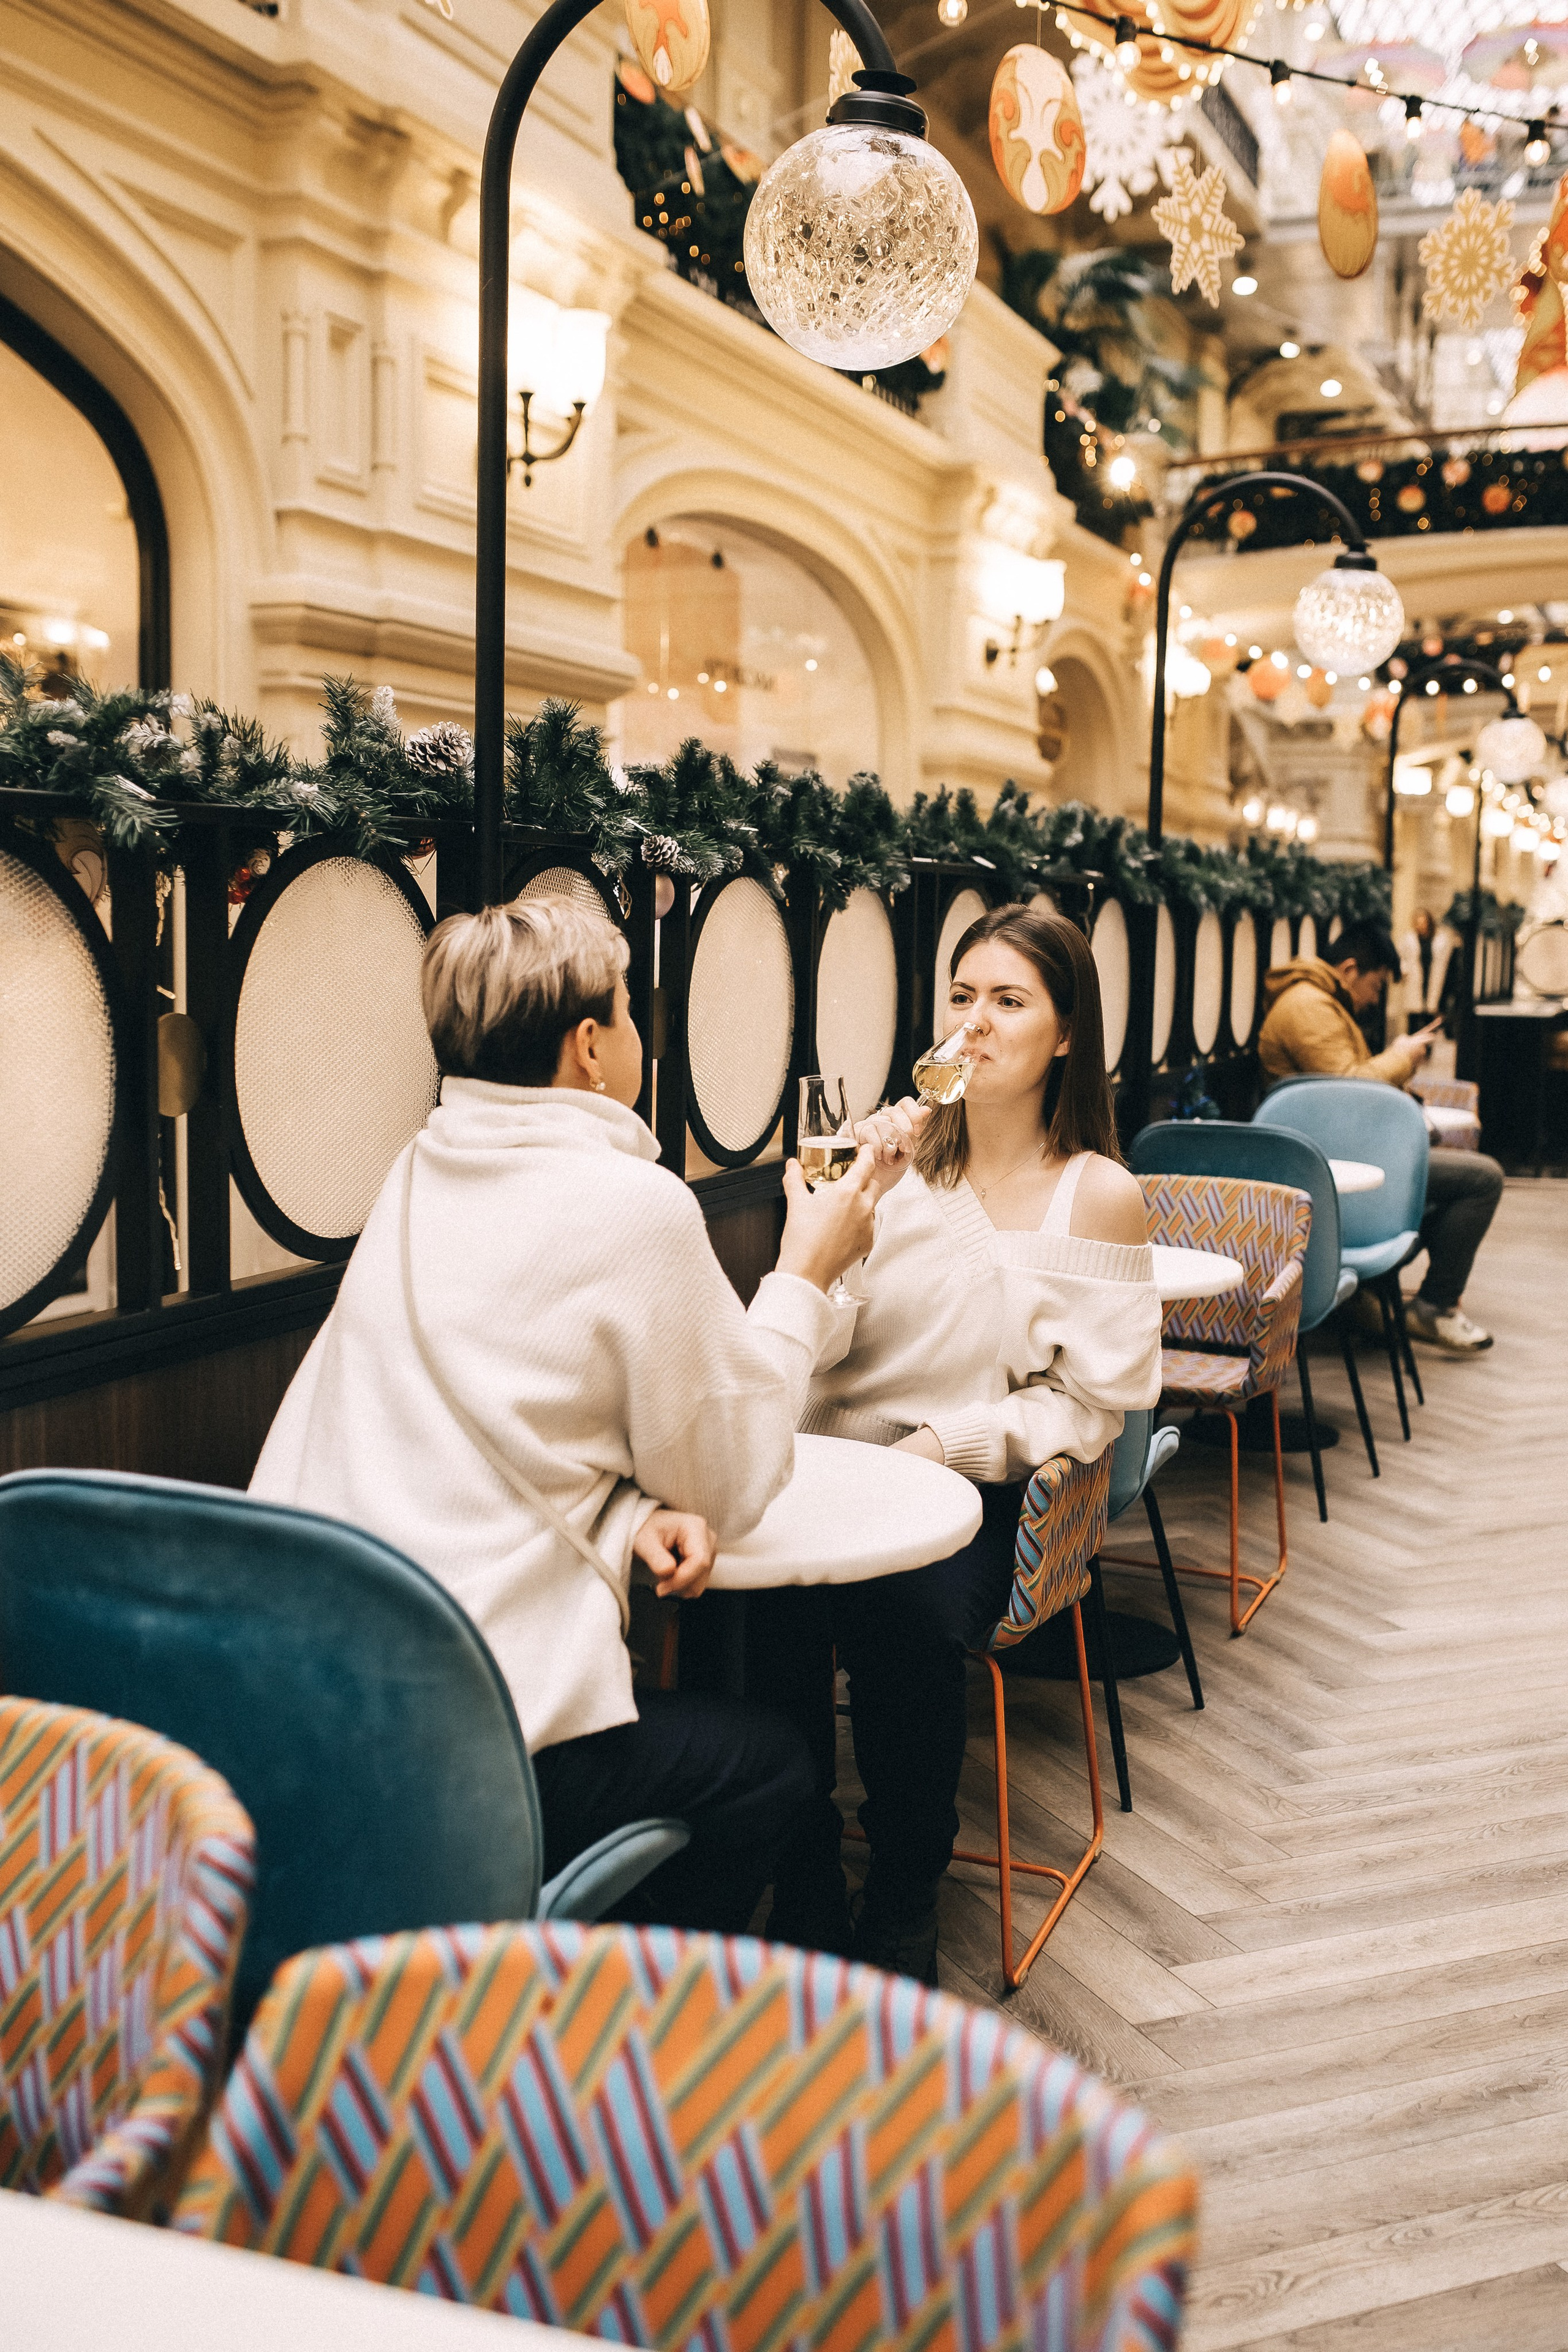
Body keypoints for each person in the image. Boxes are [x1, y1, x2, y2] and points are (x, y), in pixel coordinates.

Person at [251, 892, 878, 1934]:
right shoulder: (634, 1208)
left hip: (304, 1703)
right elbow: (732, 1482)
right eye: (630, 1013)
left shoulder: (416, 1173)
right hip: (457, 1745)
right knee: (770, 1770)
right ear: (591, 1047)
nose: (638, 1035)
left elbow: (482, 1431)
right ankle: (594, 2007)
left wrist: (628, 1521)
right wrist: (807, 1272)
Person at [748, 904, 1163, 1984]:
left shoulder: (1097, 1196)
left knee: (909, 1618)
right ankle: (796, 1877)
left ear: (1066, 1035)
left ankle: (902, 1888)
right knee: (751, 1597)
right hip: (827, 1465)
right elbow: (822, 1343)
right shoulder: (898, 1161)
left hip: (971, 1491)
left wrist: (950, 1443)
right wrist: (840, 1227)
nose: (975, 1026)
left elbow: (1095, 1405)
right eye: (962, 998)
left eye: (1009, 1002)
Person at [1257, 917, 1502, 1353]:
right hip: (1330, 1157)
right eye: (1375, 985)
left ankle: (1377, 1296)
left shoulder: (1318, 1002)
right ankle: (1431, 1306)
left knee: (1459, 1180)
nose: (1373, 999)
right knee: (1481, 1179)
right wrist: (1402, 1056)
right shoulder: (1308, 1006)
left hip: (1342, 1147)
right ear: (1349, 969)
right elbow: (1350, 1087)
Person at [1398, 906, 1457, 1035]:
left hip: (1432, 980)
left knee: (1430, 1022)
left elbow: (1447, 962)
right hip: (1415, 981)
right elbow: (1401, 958)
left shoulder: (1440, 940)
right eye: (1418, 923)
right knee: (1414, 1022)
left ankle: (1427, 1051)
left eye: (1423, 922)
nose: (1421, 926)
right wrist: (1405, 970)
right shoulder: (1409, 939)